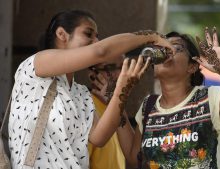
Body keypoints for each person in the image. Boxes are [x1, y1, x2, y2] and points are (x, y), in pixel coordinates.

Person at [8, 9, 175, 168]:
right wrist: (151, 36)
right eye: (88, 34)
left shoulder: (80, 92)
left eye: (97, 37)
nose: (96, 41)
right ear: (62, 34)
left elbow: (99, 137)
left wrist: (122, 90)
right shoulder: (37, 65)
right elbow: (100, 51)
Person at [116, 28, 220, 169]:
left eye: (176, 47)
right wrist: (115, 102)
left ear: (192, 66)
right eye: (161, 47)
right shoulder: (148, 106)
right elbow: (133, 157)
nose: (167, 51)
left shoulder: (211, 97)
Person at [87, 59, 125, 169]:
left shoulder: (118, 107)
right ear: (92, 75)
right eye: (110, 68)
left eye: (124, 66)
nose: (121, 74)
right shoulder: (87, 107)